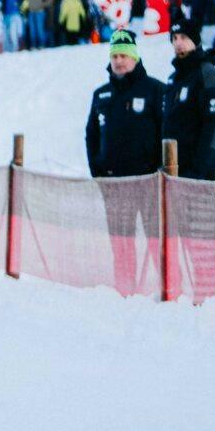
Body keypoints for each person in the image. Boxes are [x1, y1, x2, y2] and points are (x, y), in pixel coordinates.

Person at [83, 31, 166, 294]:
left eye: (123, 56)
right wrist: (98, 170)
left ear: (134, 58)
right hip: (114, 183)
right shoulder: (102, 94)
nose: (119, 61)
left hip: (149, 181)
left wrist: (164, 171)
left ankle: (168, 289)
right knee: (120, 241)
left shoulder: (156, 90)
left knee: (157, 240)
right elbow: (91, 135)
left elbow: (168, 133)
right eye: (115, 56)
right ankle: (125, 290)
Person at [163, 18, 215, 296]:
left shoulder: (207, 74)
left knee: (202, 236)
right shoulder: (174, 79)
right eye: (174, 38)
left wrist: (200, 170)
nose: (178, 43)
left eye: (183, 38)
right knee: (180, 237)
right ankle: (186, 291)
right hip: (174, 173)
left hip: (199, 174)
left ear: (196, 40)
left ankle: (210, 292)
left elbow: (214, 125)